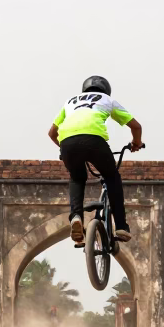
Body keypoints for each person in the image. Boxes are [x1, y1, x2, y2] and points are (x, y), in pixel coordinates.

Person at [48, 76, 143, 245]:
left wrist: (64, 148)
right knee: (112, 177)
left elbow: (52, 133)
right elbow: (136, 127)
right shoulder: (107, 100)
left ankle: (76, 216)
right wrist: (136, 143)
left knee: (77, 178)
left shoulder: (70, 102)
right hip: (94, 140)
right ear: (106, 90)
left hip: (67, 142)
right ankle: (121, 225)